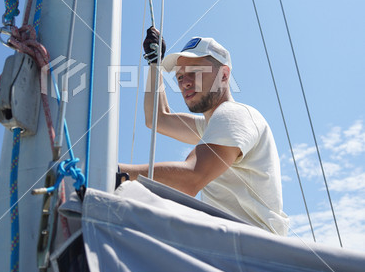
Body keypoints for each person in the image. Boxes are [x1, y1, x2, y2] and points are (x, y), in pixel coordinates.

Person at [119, 27, 289, 236]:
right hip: (236, 250)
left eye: (195, 72)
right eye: (180, 77)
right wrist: (154, 64)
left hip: (254, 252)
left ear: (224, 75)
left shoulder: (234, 115)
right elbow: (158, 118)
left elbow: (191, 178)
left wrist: (115, 172)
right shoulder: (211, 125)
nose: (185, 83)